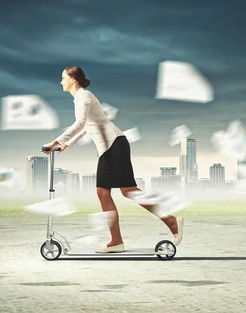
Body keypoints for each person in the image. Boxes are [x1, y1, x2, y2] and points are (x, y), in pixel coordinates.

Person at [42, 66, 183, 253]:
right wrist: (67, 144)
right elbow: (87, 126)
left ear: (73, 79)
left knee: (128, 190)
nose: (61, 82)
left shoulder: (83, 96)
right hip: (109, 148)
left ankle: (171, 221)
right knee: (104, 192)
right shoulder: (82, 98)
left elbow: (80, 123)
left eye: (63, 78)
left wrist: (56, 141)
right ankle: (116, 240)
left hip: (114, 145)